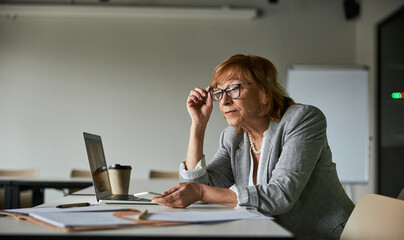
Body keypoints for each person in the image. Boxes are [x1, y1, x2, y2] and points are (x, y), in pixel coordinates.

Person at [151, 54, 354, 239]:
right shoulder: (233, 137)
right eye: (219, 92)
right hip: (268, 232)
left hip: (328, 235)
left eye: (234, 88)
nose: (225, 100)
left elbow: (280, 195)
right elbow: (203, 186)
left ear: (264, 91)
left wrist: (200, 192)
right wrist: (198, 125)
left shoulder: (302, 120)